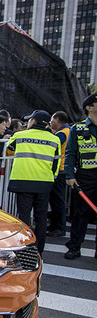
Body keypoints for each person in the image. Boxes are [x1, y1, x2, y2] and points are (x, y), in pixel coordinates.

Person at [6, 110, 60, 254]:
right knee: (41, 218)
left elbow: (9, 149)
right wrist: (51, 179)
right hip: (44, 182)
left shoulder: (19, 135)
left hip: (22, 181)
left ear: (33, 121)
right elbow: (56, 164)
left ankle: (25, 250)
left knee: (24, 218)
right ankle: (39, 251)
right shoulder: (54, 139)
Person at [64, 93, 97, 260]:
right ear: (89, 107)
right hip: (86, 176)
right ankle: (74, 247)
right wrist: (69, 175)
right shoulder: (77, 129)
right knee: (80, 213)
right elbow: (70, 153)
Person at [47, 111, 70, 236]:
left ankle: (59, 227)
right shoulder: (67, 131)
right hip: (62, 169)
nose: (50, 123)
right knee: (57, 200)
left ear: (57, 119)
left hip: (59, 170)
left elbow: (53, 145)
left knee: (57, 200)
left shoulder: (62, 133)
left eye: (52, 120)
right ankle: (56, 226)